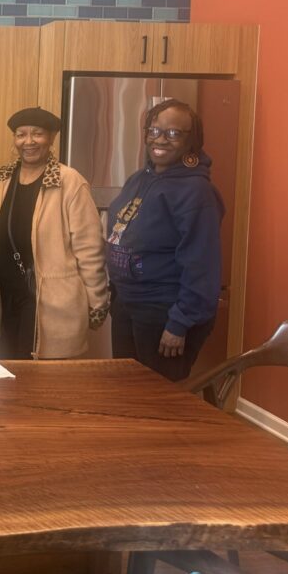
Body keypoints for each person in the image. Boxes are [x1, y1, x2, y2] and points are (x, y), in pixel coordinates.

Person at [107, 99, 224, 381]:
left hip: (163, 312)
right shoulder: (139, 179)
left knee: (157, 397)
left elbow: (202, 265)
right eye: (154, 130)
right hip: (128, 304)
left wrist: (179, 323)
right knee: (125, 391)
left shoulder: (197, 192)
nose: (160, 139)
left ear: (192, 140)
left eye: (173, 133)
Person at [0, 107, 109, 360]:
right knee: (5, 372)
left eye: (37, 134)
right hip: (2, 297)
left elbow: (89, 248)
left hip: (50, 301)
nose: (28, 141)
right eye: (21, 135)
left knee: (43, 374)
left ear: (51, 138)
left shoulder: (69, 182)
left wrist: (96, 302)